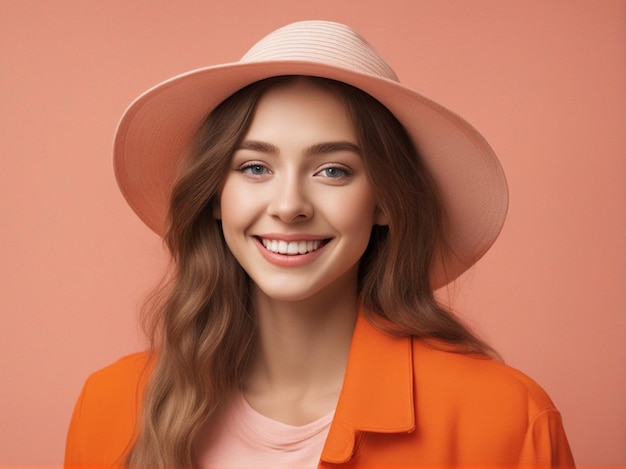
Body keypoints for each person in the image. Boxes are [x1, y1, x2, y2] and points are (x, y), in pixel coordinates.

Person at [64, 20, 575, 468]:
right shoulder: (110, 407)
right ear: (216, 195)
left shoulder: (508, 421)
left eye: (333, 170)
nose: (289, 206)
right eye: (255, 167)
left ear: (385, 203)